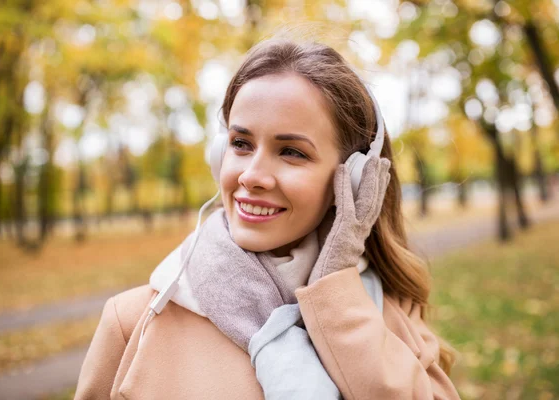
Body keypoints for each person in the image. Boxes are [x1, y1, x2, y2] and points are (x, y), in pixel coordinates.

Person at [75, 37, 460, 399]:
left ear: (354, 181)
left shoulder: (387, 308)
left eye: (291, 151)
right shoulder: (134, 322)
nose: (251, 176)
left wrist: (336, 290)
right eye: (241, 144)